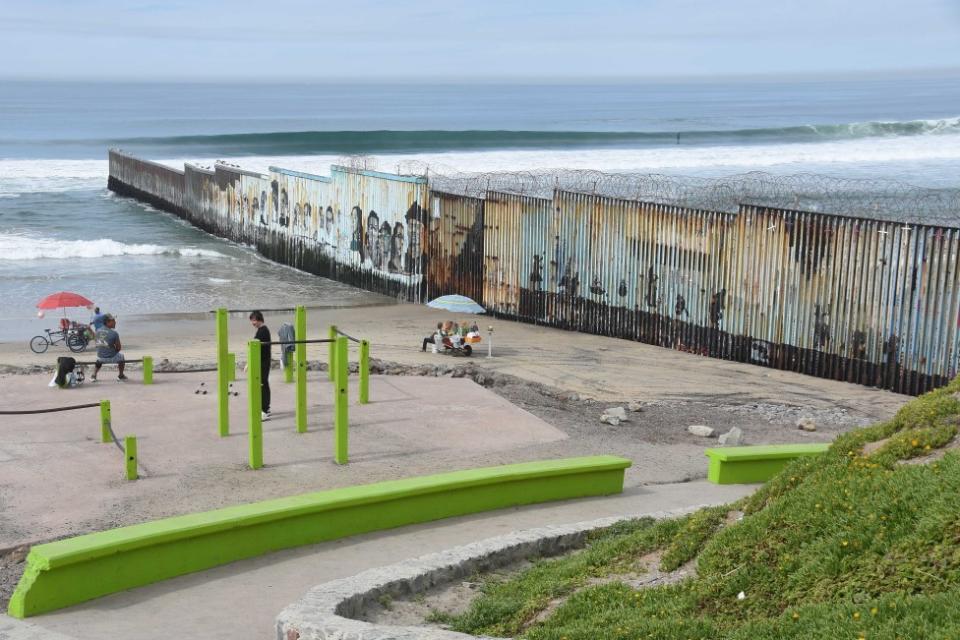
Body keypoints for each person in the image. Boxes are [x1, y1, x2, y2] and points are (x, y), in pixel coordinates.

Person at [250, 310, 271, 420]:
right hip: (264, 361)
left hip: (263, 362)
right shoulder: (262, 330)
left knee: (262, 385)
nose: (252, 323)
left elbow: (256, 348)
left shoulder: (262, 331)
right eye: (251, 321)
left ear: (259, 320)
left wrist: (249, 363)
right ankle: (266, 408)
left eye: (253, 320)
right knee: (264, 384)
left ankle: (264, 411)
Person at [92, 315, 125, 381]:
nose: (115, 322)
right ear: (107, 322)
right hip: (111, 357)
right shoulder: (114, 333)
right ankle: (121, 375)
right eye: (113, 321)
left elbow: (97, 343)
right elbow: (119, 348)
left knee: (100, 357)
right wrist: (113, 351)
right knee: (121, 357)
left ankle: (94, 375)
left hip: (100, 357)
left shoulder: (97, 331)